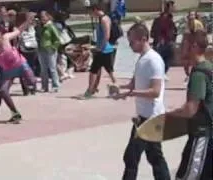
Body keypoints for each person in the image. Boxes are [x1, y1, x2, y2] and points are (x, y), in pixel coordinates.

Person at [112, 23, 171, 180]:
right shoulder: (142, 59)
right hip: (143, 117)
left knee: (133, 157)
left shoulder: (153, 60)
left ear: (143, 39)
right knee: (153, 157)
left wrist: (130, 93)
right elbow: (133, 84)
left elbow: (155, 91)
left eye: (132, 42)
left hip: (152, 118)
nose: (130, 46)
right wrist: (120, 88)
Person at [165, 30, 212, 180]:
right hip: (208, 135)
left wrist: (170, 114)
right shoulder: (209, 67)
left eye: (183, 44)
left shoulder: (199, 74)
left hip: (202, 136)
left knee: (186, 176)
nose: (179, 47)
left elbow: (190, 109)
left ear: (193, 46)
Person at [0, 12, 37, 123]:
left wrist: (28, 21)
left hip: (21, 64)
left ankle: (29, 83)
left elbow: (19, 30)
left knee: (32, 82)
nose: (0, 41)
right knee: (4, 91)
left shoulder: (6, 38)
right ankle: (15, 113)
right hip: (9, 71)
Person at [80, 4, 116, 99]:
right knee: (102, 71)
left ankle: (90, 91)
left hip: (105, 50)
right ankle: (94, 88)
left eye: (90, 12)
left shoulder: (104, 19)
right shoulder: (101, 19)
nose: (90, 15)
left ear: (95, 10)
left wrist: (100, 48)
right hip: (103, 49)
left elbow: (106, 36)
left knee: (95, 71)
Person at [150, 0, 177, 76]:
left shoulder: (169, 20)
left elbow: (173, 32)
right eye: (172, 7)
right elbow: (154, 32)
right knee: (163, 60)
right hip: (162, 44)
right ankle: (159, 75)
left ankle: (161, 74)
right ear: (169, 8)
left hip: (166, 43)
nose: (174, 9)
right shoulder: (162, 20)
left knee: (166, 61)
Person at [38, 10, 61, 93]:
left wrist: (53, 47)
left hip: (50, 49)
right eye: (41, 17)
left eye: (44, 16)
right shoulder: (40, 26)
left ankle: (55, 85)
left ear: (48, 17)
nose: (42, 18)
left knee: (52, 68)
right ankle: (44, 86)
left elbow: (57, 39)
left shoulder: (51, 26)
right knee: (43, 69)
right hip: (41, 49)